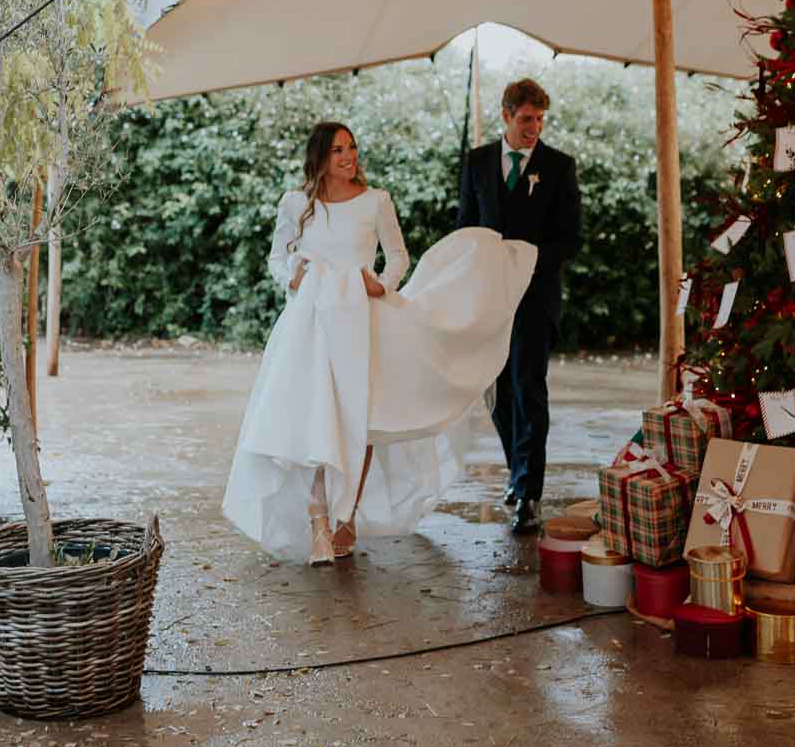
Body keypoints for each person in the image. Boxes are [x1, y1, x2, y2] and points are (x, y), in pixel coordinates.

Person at [223, 121, 537, 565]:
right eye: (337, 150)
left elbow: (399, 256)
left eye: (351, 147)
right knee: (318, 415)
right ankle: (318, 521)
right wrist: (289, 277)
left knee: (359, 420)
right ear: (320, 158)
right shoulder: (296, 203)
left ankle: (345, 516)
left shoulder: (376, 201)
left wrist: (382, 285)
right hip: (310, 324)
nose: (349, 157)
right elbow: (278, 256)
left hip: (363, 319)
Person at [456, 78, 582, 534]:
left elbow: (571, 240)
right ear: (506, 116)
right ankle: (516, 473)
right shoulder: (477, 162)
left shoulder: (559, 166)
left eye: (540, 119)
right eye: (526, 119)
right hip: (490, 299)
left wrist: (523, 258)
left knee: (528, 388)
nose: (534, 128)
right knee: (498, 395)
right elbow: (465, 227)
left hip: (535, 297)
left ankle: (528, 493)